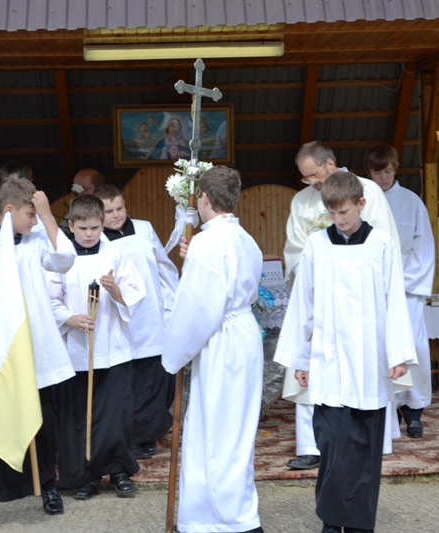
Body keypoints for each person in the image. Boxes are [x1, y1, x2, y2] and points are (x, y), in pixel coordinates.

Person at [274, 171, 416, 533]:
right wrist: (300, 360)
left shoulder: (381, 244)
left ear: (361, 204)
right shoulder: (317, 246)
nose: (339, 220)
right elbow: (303, 303)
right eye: (333, 213)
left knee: (364, 449)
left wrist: (398, 354)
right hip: (328, 362)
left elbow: (395, 301)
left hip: (370, 364)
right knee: (331, 446)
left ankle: (358, 525)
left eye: (345, 212)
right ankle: (331, 521)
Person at [0, 178, 77, 533]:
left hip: (34, 356)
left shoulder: (36, 243)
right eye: (30, 215)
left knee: (43, 427)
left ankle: (47, 485)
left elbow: (65, 260)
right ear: (9, 211)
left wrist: (48, 216)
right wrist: (0, 340)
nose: (34, 222)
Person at [282, 141, 402, 468]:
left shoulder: (368, 192)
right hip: (323, 299)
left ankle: (371, 443)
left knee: (367, 370)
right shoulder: (301, 201)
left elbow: (383, 243)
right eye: (305, 178)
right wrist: (316, 269)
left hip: (363, 304)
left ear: (330, 164)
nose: (310, 182)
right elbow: (295, 249)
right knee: (313, 369)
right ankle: (312, 446)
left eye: (313, 175)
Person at [162, 166, 265, 533]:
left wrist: (173, 354)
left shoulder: (208, 243)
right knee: (237, 429)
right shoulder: (245, 238)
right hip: (244, 334)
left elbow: (198, 308)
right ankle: (236, 509)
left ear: (203, 198)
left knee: (215, 430)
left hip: (221, 337)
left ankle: (219, 518)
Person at [48, 194, 145, 500]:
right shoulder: (61, 259)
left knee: (115, 414)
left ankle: (118, 471)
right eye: (83, 228)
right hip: (78, 350)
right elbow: (49, 299)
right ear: (71, 226)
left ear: (102, 225)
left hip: (113, 347)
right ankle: (84, 476)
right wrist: (70, 318)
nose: (89, 234)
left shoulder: (115, 254)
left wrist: (115, 290)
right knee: (80, 416)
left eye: (94, 228)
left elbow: (135, 292)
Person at [93, 184, 179, 459]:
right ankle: (129, 435)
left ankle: (148, 433)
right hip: (119, 317)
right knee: (128, 382)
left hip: (151, 313)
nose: (116, 215)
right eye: (109, 211)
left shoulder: (143, 228)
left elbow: (163, 266)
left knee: (154, 379)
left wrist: (172, 303)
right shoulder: (97, 240)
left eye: (119, 208)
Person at [365, 144, 435, 439]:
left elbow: (424, 247)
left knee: (413, 348)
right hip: (374, 288)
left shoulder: (411, 202)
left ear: (396, 170)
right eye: (377, 172)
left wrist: (403, 281)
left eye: (388, 171)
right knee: (381, 348)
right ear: (369, 173)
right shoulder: (364, 200)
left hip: (406, 288)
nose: (383, 178)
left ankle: (413, 410)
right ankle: (388, 408)